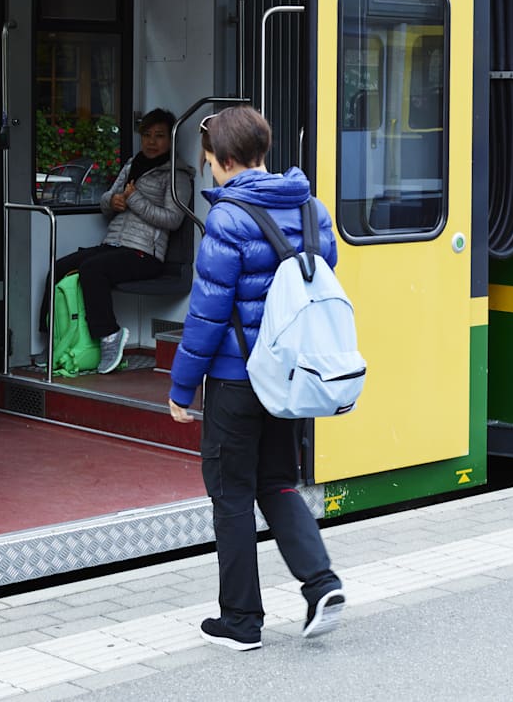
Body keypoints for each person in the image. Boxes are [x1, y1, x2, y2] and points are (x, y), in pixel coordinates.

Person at [166, 105, 344, 652]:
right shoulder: (311, 208)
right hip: (289, 378)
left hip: (236, 381)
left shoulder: (227, 218)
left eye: (209, 162)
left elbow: (207, 313)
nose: (210, 171)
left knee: (233, 495)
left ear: (221, 161)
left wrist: (180, 387)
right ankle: (321, 583)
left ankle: (241, 622)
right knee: (279, 482)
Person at [40, 109, 190, 374]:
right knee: (59, 268)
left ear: (171, 140)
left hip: (146, 253)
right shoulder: (133, 165)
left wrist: (134, 200)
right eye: (147, 135)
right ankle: (54, 341)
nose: (152, 142)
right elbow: (107, 199)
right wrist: (113, 201)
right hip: (114, 245)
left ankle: (110, 335)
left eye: (159, 136)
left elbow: (173, 219)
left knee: (92, 269)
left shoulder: (177, 175)